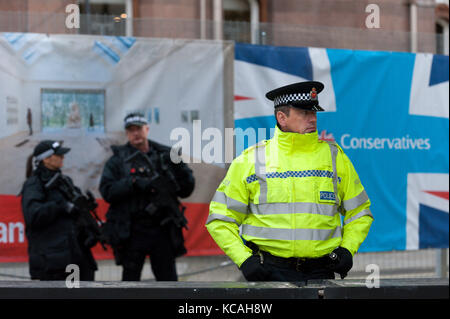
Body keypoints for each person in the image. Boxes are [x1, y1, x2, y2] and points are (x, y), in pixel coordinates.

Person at [206, 81, 373, 282]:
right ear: (281, 118)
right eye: (304, 113)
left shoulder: (335, 158)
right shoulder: (251, 160)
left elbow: (360, 212)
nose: (312, 118)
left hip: (321, 273)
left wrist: (347, 249)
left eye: (314, 113)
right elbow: (220, 218)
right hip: (269, 272)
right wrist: (244, 260)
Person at [99, 113, 195, 281]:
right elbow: (107, 191)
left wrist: (181, 169)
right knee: (130, 284)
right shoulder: (118, 161)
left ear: (147, 129)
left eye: (139, 129)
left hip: (162, 228)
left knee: (168, 283)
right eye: (131, 130)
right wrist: (133, 183)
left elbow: (186, 190)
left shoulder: (164, 155)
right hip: (132, 231)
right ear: (127, 134)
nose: (135, 133)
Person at [21, 140, 98, 281]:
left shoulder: (64, 180)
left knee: (79, 293)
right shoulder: (34, 184)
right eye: (59, 155)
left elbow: (75, 210)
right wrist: (60, 206)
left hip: (73, 257)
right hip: (52, 262)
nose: (63, 157)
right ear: (46, 159)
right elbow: (33, 216)